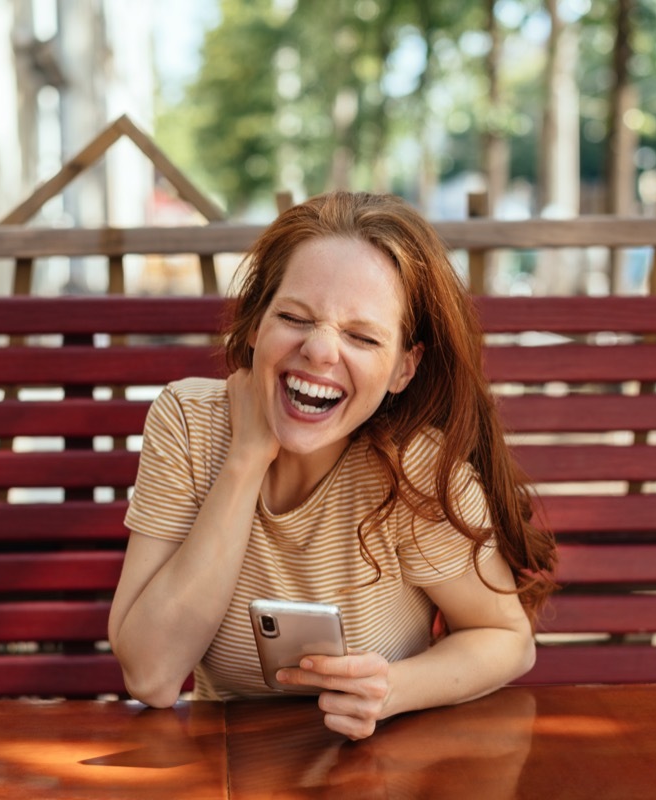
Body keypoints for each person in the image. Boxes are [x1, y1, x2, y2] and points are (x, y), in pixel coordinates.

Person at [108, 191, 557, 740]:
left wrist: (391, 690)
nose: (319, 351)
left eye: (362, 336)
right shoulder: (188, 422)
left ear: (403, 368)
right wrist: (247, 458)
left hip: (378, 767)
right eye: (295, 317)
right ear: (255, 324)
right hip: (220, 765)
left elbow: (506, 639)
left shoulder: (413, 467)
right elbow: (150, 675)